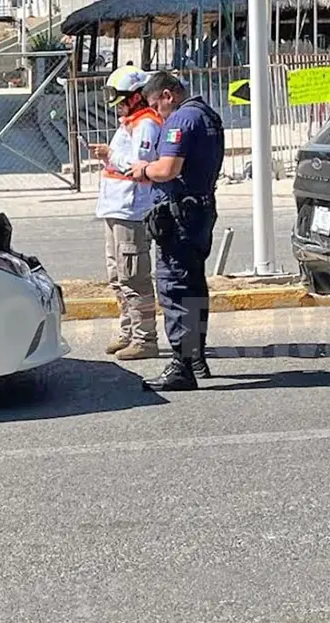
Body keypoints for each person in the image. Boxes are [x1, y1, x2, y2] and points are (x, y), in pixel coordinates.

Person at [129, 69, 225, 391]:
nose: (156, 113)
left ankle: (181, 365)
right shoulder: (207, 115)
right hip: (200, 210)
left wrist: (144, 169)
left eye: (157, 105)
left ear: (168, 95)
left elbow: (168, 168)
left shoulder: (181, 120)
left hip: (180, 216)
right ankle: (196, 358)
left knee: (175, 287)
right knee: (194, 284)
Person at [87, 65, 161, 360]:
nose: (118, 105)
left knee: (135, 277)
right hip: (116, 208)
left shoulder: (146, 123)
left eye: (121, 99)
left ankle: (146, 339)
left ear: (136, 96)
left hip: (132, 210)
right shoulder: (130, 121)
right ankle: (129, 330)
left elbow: (138, 165)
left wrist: (109, 155)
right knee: (117, 275)